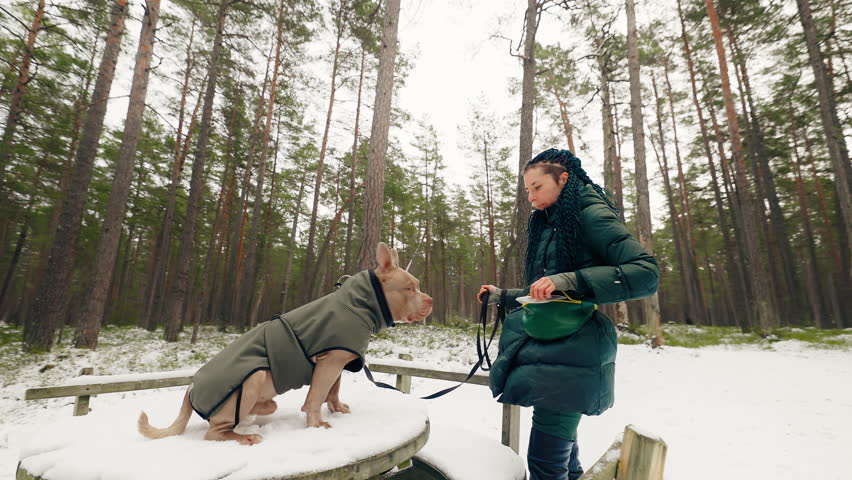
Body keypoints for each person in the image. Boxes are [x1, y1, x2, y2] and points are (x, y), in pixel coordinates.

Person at [479, 148, 659, 480]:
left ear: (563, 179)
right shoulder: (552, 222)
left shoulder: (590, 213)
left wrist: (571, 279)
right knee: (563, 462)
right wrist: (501, 296)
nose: (531, 198)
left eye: (537, 187)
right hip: (551, 352)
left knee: (546, 465)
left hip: (573, 352)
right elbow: (551, 293)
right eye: (528, 191)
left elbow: (646, 273)